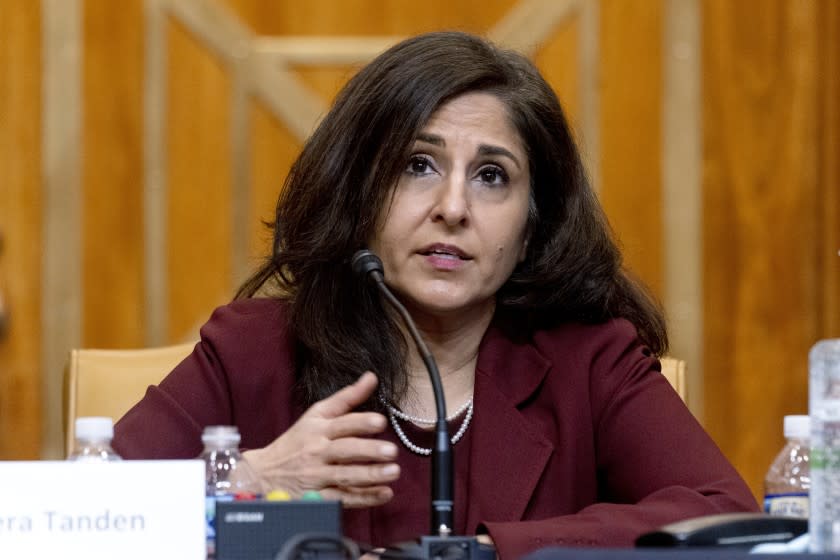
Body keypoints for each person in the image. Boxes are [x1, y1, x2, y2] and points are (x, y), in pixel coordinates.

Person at [113, 30, 757, 558]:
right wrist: (250, 480)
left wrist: (483, 552)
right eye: (417, 165)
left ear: (533, 225)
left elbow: (721, 516)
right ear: (360, 191)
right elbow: (79, 516)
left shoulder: (588, 363)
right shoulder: (253, 351)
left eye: (491, 176)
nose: (452, 208)